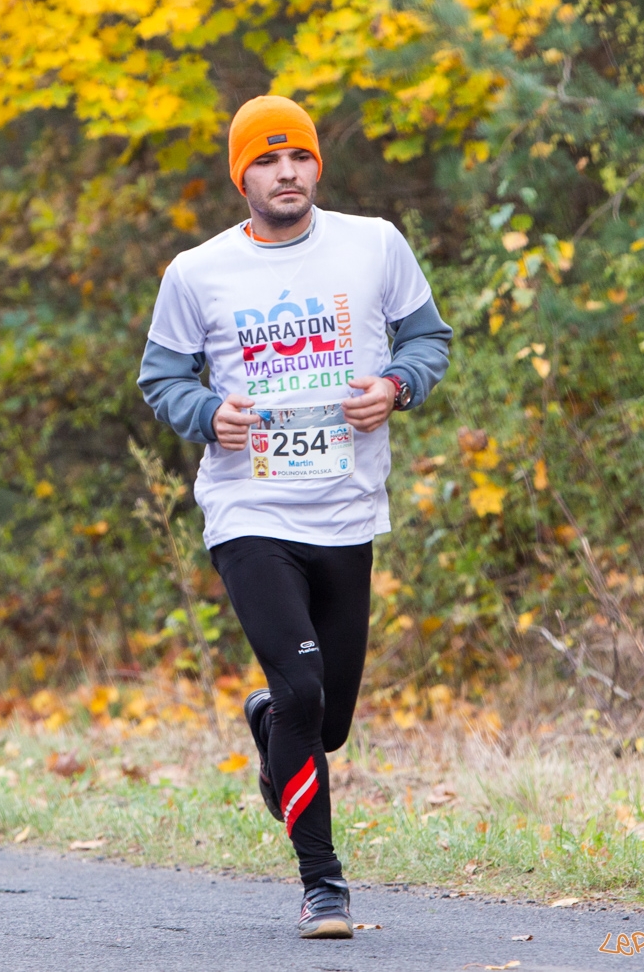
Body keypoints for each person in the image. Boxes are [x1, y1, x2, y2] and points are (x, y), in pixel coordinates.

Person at [139, 96, 451, 938]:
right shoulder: (196, 272)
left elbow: (430, 341)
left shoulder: (374, 244)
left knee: (327, 720)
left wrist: (395, 386)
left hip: (347, 512)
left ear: (318, 166)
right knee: (304, 685)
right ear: (241, 174)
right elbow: (161, 378)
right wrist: (209, 414)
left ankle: (275, 727)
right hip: (250, 507)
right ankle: (324, 884)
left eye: (300, 158)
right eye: (268, 161)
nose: (287, 173)